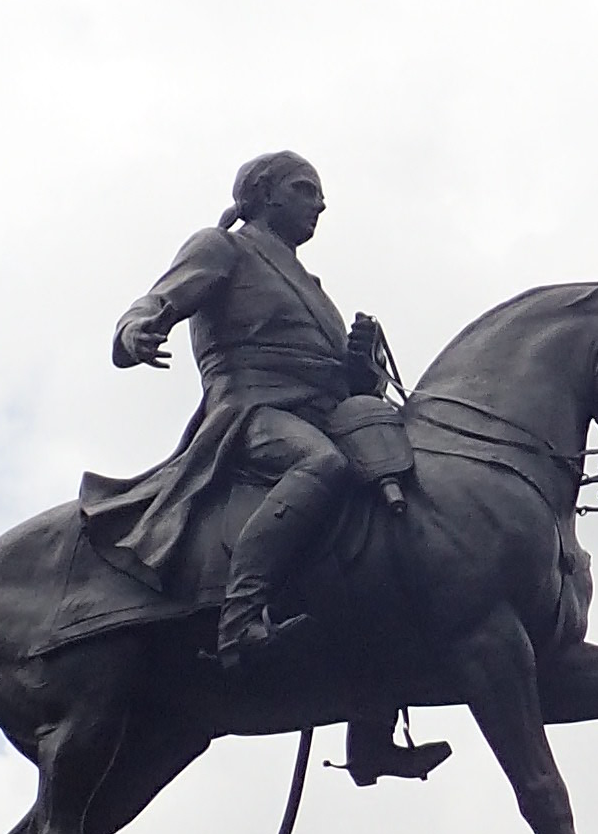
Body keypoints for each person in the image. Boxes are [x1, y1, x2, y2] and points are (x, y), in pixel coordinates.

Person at [88, 149, 402, 664]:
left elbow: (339, 383)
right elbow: (156, 300)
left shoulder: (312, 286)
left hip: (320, 412)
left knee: (402, 494)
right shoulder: (222, 248)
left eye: (321, 194)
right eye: (305, 189)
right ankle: (239, 619)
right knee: (320, 464)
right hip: (253, 410)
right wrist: (135, 331)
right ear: (262, 193)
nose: (320, 204)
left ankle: (373, 733)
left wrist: (360, 366)